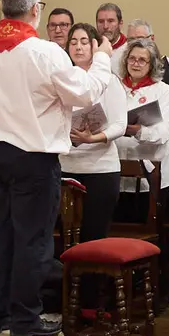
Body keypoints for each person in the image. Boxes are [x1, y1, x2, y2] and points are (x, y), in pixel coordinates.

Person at [0, 0, 113, 336]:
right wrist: (102, 58)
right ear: (35, 10)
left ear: (2, 10)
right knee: (33, 239)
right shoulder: (44, 52)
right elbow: (86, 92)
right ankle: (25, 319)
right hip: (32, 155)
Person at [60, 23, 128, 245]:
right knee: (62, 236)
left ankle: (93, 280)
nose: (78, 47)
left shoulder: (108, 79)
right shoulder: (63, 78)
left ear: (95, 47)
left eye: (84, 42)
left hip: (100, 167)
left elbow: (120, 124)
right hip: (65, 166)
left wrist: (92, 138)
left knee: (93, 236)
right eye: (73, 42)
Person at [114, 38, 169, 202]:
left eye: (142, 60)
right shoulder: (114, 87)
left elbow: (167, 129)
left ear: (152, 64)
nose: (136, 64)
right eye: (132, 58)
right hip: (117, 168)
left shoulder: (163, 90)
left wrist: (140, 131)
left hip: (151, 170)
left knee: (148, 220)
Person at [126, 19, 169, 91]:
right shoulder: (122, 63)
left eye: (141, 38)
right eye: (131, 39)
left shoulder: (168, 64)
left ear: (152, 38)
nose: (136, 43)